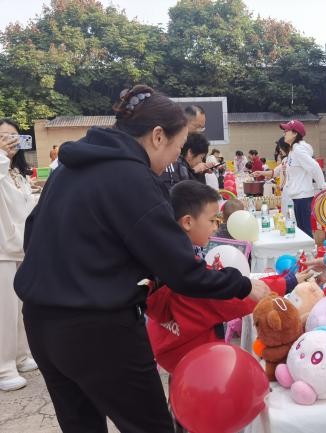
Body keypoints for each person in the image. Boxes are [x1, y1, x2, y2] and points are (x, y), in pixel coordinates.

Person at [13, 85, 270, 433]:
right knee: (150, 426)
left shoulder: (67, 170)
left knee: (81, 425)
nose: (173, 161)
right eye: (178, 148)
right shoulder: (132, 177)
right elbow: (181, 271)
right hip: (98, 329)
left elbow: (34, 232)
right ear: (158, 136)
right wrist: (243, 286)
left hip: (42, 323)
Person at [146, 181, 311, 373]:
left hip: (171, 353)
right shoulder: (193, 279)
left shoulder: (164, 260)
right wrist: (287, 282)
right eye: (212, 220)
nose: (216, 227)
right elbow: (233, 298)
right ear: (188, 222)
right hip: (201, 363)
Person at [0, 119, 38, 392]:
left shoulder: (17, 174)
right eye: (4, 136)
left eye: (14, 136)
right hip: (2, 251)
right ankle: (4, 367)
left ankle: (21, 356)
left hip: (21, 247)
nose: (10, 140)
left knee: (22, 308)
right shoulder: (1, 170)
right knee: (5, 311)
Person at [280, 120, 326, 237]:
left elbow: (314, 166)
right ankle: (306, 253)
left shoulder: (298, 150)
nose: (284, 133)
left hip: (303, 197)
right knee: (302, 230)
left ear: (295, 133)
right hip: (297, 196)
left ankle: (310, 253)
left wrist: (322, 187)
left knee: (305, 231)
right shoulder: (293, 150)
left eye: (286, 130)